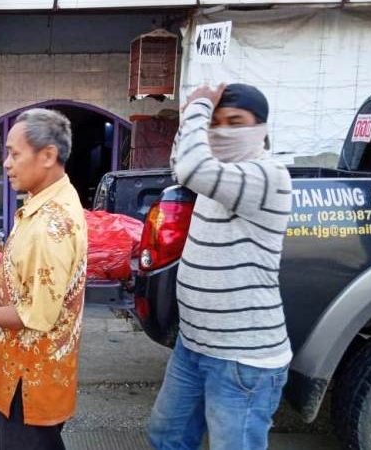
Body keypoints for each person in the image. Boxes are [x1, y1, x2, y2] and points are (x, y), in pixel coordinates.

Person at [145, 83, 293, 450]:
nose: (224, 130)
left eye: (236, 121)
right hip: (194, 346)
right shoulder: (217, 173)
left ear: (261, 128)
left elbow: (193, 168)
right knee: (167, 438)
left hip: (242, 359)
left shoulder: (266, 175)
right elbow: (184, 164)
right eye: (217, 122)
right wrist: (192, 117)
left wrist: (198, 107)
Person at [0, 108, 88, 450]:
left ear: (48, 155)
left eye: (14, 153)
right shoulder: (43, 203)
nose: (6, 162)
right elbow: (40, 276)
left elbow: (33, 315)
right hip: (18, 374)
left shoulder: (50, 226)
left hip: (30, 379)